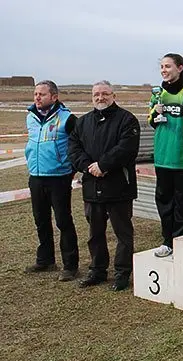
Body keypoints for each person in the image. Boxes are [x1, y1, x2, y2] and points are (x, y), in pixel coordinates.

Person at [68, 80, 140, 291]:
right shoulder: (82, 123)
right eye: (96, 95)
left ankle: (122, 274)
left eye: (105, 94)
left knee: (123, 234)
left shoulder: (127, 120)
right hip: (92, 187)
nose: (100, 98)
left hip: (119, 187)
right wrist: (88, 167)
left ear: (113, 96)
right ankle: (97, 270)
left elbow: (127, 148)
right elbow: (73, 147)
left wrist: (104, 165)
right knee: (95, 233)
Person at [149, 53, 183, 257]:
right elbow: (151, 121)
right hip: (162, 157)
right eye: (162, 67)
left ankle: (181, 241)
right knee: (164, 201)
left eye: (168, 66)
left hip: (182, 159)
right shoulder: (158, 94)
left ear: (180, 68)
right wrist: (155, 111)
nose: (164, 70)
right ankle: (167, 241)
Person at [24, 80, 79, 282]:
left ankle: (70, 265)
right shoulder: (30, 117)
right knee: (41, 220)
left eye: (42, 94)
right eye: (36, 94)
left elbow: (78, 145)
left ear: (54, 97)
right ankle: (45, 259)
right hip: (36, 176)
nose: (37, 97)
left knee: (63, 221)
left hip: (59, 178)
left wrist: (72, 169)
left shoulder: (68, 119)